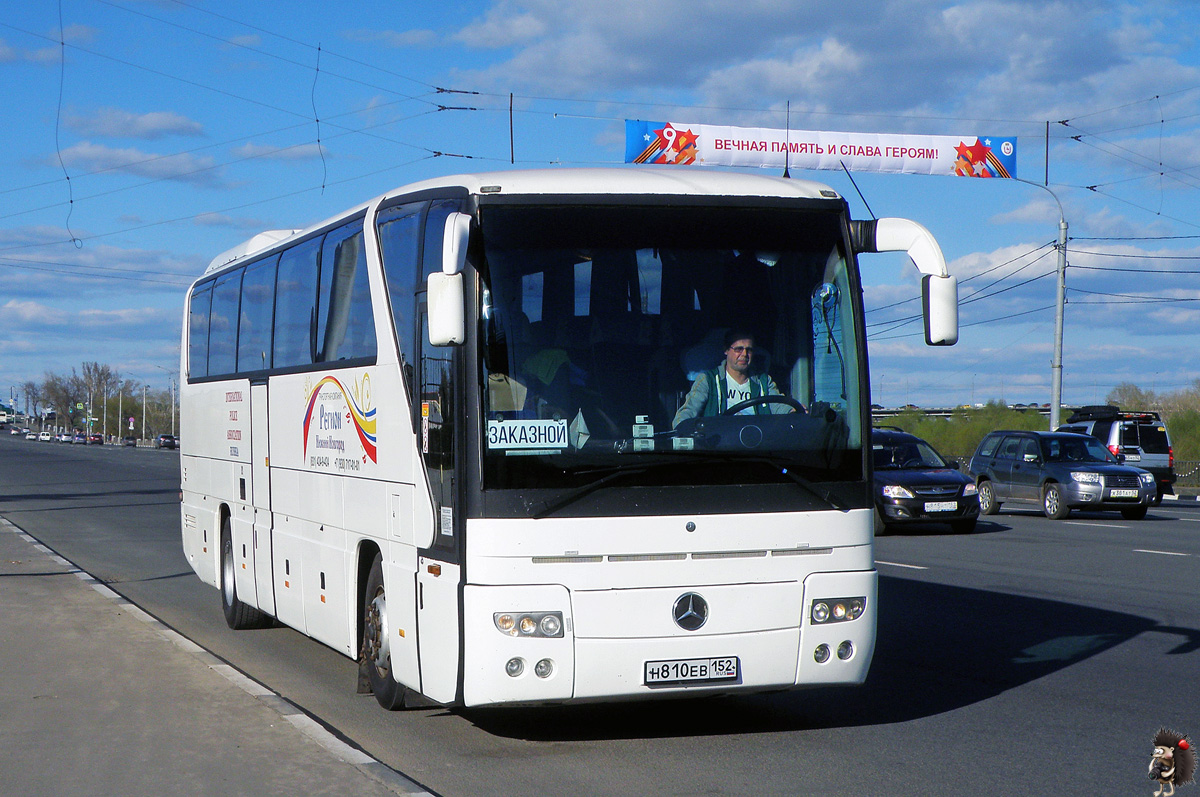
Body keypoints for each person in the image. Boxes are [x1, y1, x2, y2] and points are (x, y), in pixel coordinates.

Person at [672, 330, 795, 428]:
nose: (744, 354)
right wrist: (682, 429)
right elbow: (688, 411)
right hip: (721, 444)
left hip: (758, 443)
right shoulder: (707, 380)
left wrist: (793, 412)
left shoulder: (764, 381)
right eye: (738, 349)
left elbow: (779, 406)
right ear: (726, 350)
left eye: (749, 350)